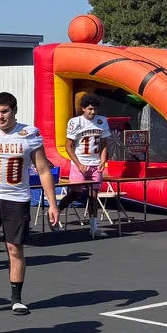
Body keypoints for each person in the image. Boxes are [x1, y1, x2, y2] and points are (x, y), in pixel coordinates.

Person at [0, 92, 60, 315]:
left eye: (4, 112)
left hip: (16, 199)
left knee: (14, 248)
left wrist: (52, 204)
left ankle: (16, 298)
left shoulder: (29, 134)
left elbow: (43, 169)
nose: (0, 117)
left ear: (14, 111)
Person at [66, 94, 111, 238]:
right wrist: (78, 164)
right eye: (90, 109)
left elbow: (104, 143)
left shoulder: (101, 121)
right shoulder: (75, 122)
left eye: (95, 109)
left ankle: (94, 227)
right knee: (75, 193)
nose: (92, 112)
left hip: (95, 163)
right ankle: (56, 210)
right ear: (83, 108)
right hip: (80, 162)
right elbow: (69, 146)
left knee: (94, 195)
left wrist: (103, 160)